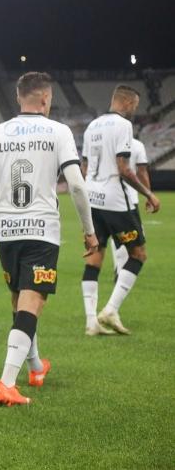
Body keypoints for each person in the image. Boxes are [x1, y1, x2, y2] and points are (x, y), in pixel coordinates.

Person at [0, 72, 99, 406]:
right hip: (41, 229)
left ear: (18, 97)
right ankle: (6, 384)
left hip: (7, 230)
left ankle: (36, 367)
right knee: (33, 301)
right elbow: (77, 185)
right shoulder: (58, 132)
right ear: (46, 99)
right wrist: (89, 230)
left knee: (19, 299)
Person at [80, 86, 160, 336]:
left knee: (95, 258)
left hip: (93, 199)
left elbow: (84, 167)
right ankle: (111, 309)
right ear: (125, 102)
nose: (134, 111)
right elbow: (124, 168)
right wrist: (149, 194)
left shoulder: (92, 126)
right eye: (134, 105)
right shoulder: (123, 126)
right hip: (116, 200)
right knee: (138, 254)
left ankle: (91, 321)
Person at [111, 138, 150, 285]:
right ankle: (120, 270)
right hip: (128, 198)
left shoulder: (110, 142)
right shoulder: (138, 145)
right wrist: (148, 194)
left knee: (120, 236)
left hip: (108, 197)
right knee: (133, 238)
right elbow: (142, 171)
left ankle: (119, 267)